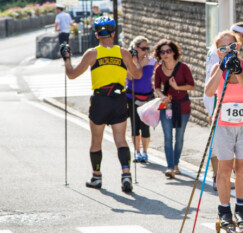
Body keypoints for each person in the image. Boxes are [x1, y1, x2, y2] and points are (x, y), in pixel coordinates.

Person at [59, 16, 142, 192]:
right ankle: (126, 175)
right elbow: (137, 75)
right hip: (119, 99)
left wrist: (66, 58)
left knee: (96, 140)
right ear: (113, 33)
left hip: (100, 100)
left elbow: (72, 74)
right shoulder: (123, 53)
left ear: (96, 35)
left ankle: (96, 177)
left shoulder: (92, 53)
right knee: (120, 139)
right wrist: (134, 59)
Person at [205, 30, 243, 229]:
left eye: (232, 47)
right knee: (224, 169)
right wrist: (221, 68)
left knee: (242, 169)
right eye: (223, 48)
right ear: (218, 52)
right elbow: (209, 91)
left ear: (238, 47)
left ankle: (241, 208)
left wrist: (237, 71)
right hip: (223, 125)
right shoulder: (216, 68)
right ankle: (224, 210)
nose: (228, 51)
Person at [153, 39, 195, 179]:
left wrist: (177, 87)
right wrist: (162, 96)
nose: (165, 54)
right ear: (159, 54)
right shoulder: (159, 69)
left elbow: (191, 85)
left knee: (179, 137)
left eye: (168, 51)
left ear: (174, 52)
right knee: (167, 137)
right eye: (162, 52)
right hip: (167, 107)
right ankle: (170, 167)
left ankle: (176, 164)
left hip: (182, 106)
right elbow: (157, 87)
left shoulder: (183, 67)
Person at [126, 36, 157, 163]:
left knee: (145, 126)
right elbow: (130, 77)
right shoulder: (128, 60)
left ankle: (145, 152)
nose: (145, 51)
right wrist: (139, 65)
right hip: (132, 97)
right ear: (135, 48)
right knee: (135, 126)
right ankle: (137, 152)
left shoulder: (152, 61)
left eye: (147, 48)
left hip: (147, 97)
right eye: (143, 48)